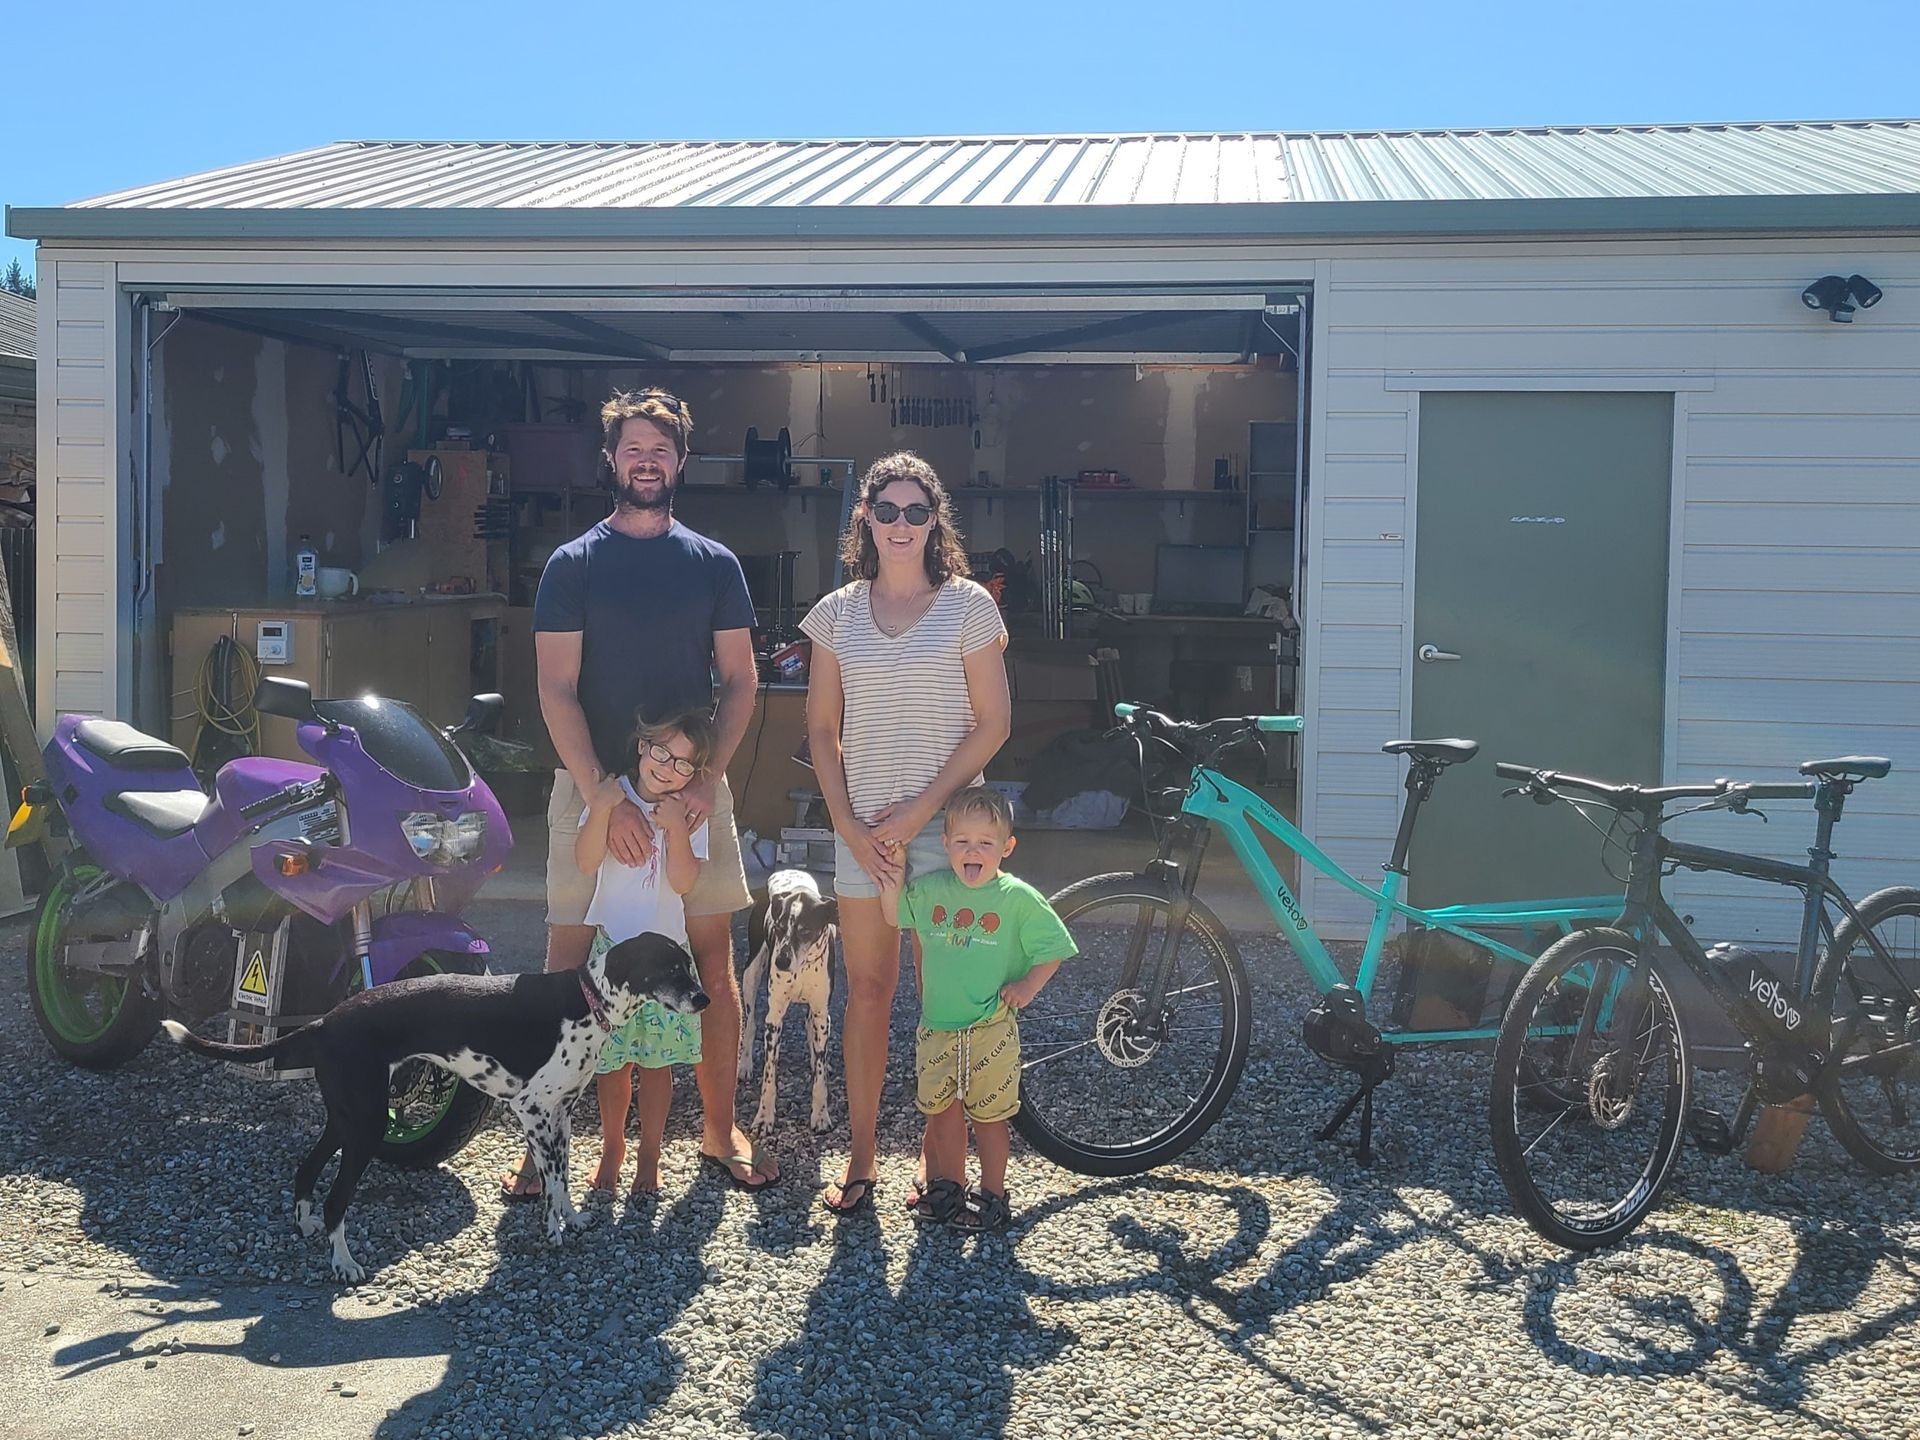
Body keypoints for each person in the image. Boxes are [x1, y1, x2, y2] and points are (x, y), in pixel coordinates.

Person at [507, 387, 776, 1200]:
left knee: (711, 961)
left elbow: (739, 680)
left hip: (691, 795)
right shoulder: (573, 564)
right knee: (565, 965)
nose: (648, 460)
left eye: (662, 448)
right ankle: (542, 1137)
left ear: (682, 461)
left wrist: (704, 784)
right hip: (588, 791)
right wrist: (602, 796)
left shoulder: (715, 564)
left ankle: (719, 1126)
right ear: (612, 459)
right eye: (634, 447)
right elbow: (557, 689)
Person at [800, 452, 1011, 1216]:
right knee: (870, 994)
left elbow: (994, 725)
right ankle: (861, 1158)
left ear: (935, 522)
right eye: (885, 510)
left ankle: (940, 1161)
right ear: (865, 519)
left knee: (947, 998)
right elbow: (822, 732)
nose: (900, 524)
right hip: (864, 834)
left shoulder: (969, 609)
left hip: (948, 833)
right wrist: (847, 825)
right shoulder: (836, 614)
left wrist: (919, 813)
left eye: (915, 512)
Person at [879, 786, 1074, 1232]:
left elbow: (1054, 948)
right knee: (941, 1111)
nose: (973, 851)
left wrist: (1029, 985)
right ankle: (948, 1184)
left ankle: (993, 1195)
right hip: (937, 1028)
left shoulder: (1018, 898)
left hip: (991, 1028)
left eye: (986, 843)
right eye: (963, 841)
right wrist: (892, 882)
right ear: (946, 844)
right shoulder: (929, 890)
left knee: (990, 1117)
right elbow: (896, 918)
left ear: (1006, 848)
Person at [577, 709, 713, 1201]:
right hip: (612, 955)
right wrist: (602, 808)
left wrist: (677, 829)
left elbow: (683, 882)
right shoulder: (612, 797)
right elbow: (586, 860)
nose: (668, 767)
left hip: (666, 963)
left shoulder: (689, 813)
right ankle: (612, 1146)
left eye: (683, 763)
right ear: (641, 747)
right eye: (661, 752)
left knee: (658, 1065)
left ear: (694, 773)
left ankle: (650, 1155)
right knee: (612, 1064)